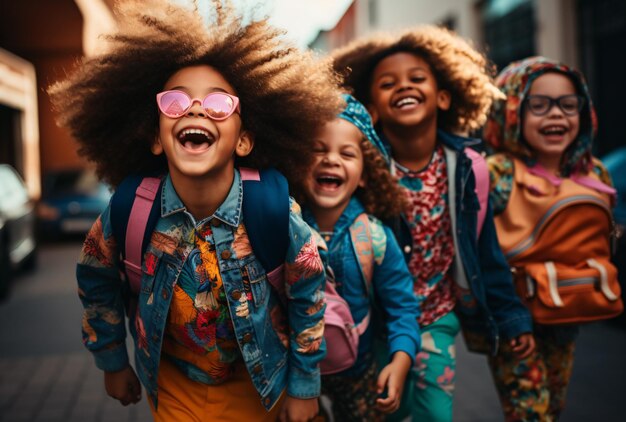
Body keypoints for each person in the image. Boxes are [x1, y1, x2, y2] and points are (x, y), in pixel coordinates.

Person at [48, 1, 344, 420]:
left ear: (243, 141)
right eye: (174, 102)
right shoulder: (132, 210)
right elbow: (96, 280)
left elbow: (308, 294)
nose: (196, 108)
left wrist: (305, 385)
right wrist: (112, 361)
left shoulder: (271, 209)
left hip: (261, 386)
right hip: (174, 387)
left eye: (220, 104)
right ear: (156, 137)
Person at [331, 25, 535, 421]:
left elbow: (486, 252)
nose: (404, 87)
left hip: (439, 316)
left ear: (443, 96)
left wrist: (512, 319)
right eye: (388, 84)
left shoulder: (468, 168)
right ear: (371, 108)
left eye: (417, 79)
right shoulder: (366, 170)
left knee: (435, 414)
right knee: (387, 408)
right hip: (380, 319)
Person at [483, 56, 621, 421]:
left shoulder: (594, 171)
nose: (556, 115)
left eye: (568, 104)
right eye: (539, 105)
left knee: (554, 404)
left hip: (567, 309)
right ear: (510, 111)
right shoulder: (497, 172)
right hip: (515, 317)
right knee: (529, 411)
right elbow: (477, 249)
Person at [294, 94, 421, 421]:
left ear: (365, 175)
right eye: (318, 149)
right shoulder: (283, 227)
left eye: (347, 153)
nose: (331, 160)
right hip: (297, 373)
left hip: (360, 371)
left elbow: (402, 306)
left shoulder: (377, 238)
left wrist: (400, 359)